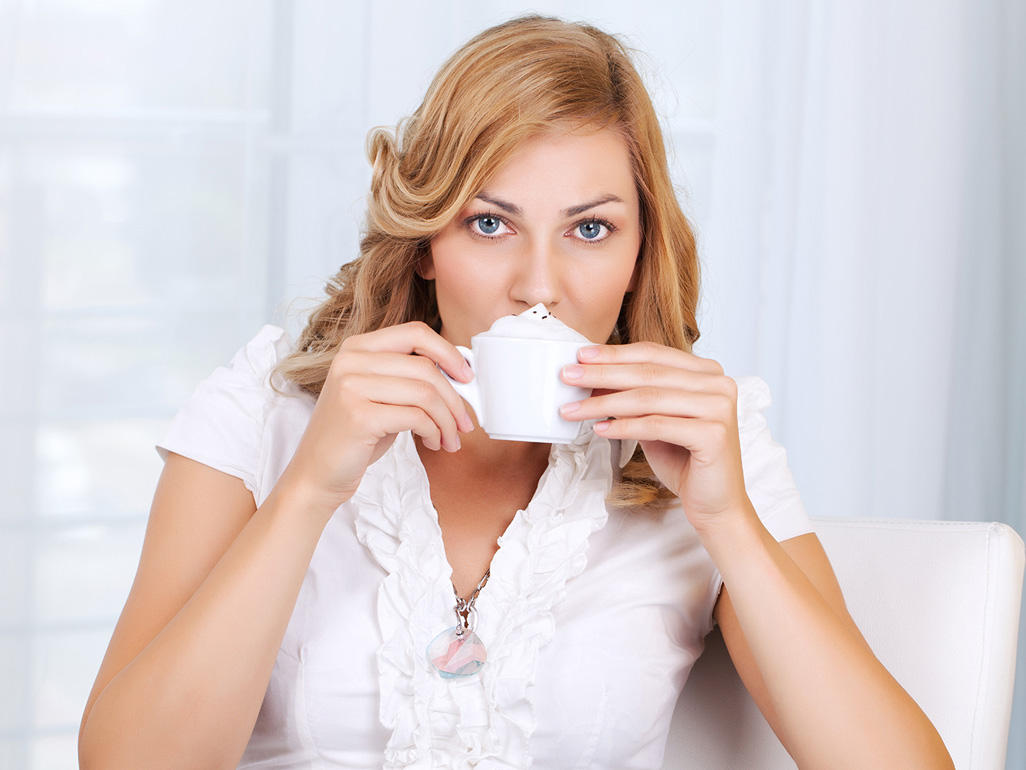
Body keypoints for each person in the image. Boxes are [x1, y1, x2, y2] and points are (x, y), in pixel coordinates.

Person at [78, 14, 954, 770]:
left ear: (641, 251)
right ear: (425, 239)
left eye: (591, 228)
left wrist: (726, 520)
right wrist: (311, 488)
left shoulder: (711, 441)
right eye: (489, 223)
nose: (539, 285)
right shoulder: (263, 408)